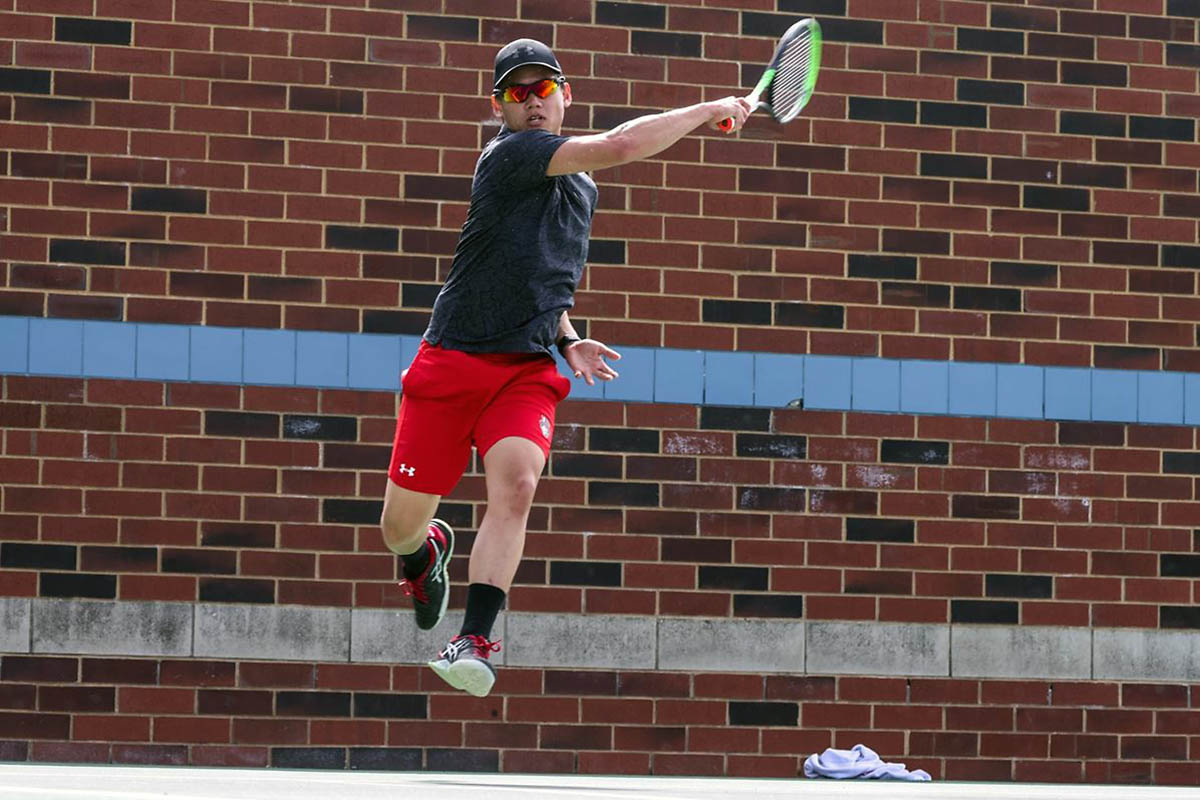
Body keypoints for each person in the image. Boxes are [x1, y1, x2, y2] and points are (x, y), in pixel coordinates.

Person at [379, 38, 751, 697]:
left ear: (564, 95)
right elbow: (618, 145)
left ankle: (478, 638)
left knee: (517, 486)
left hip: (523, 367)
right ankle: (424, 553)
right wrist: (709, 108)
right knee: (398, 526)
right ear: (499, 107)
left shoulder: (578, 190)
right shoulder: (508, 158)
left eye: (542, 89)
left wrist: (567, 336)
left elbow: (543, 278)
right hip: (453, 360)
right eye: (516, 93)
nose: (531, 102)